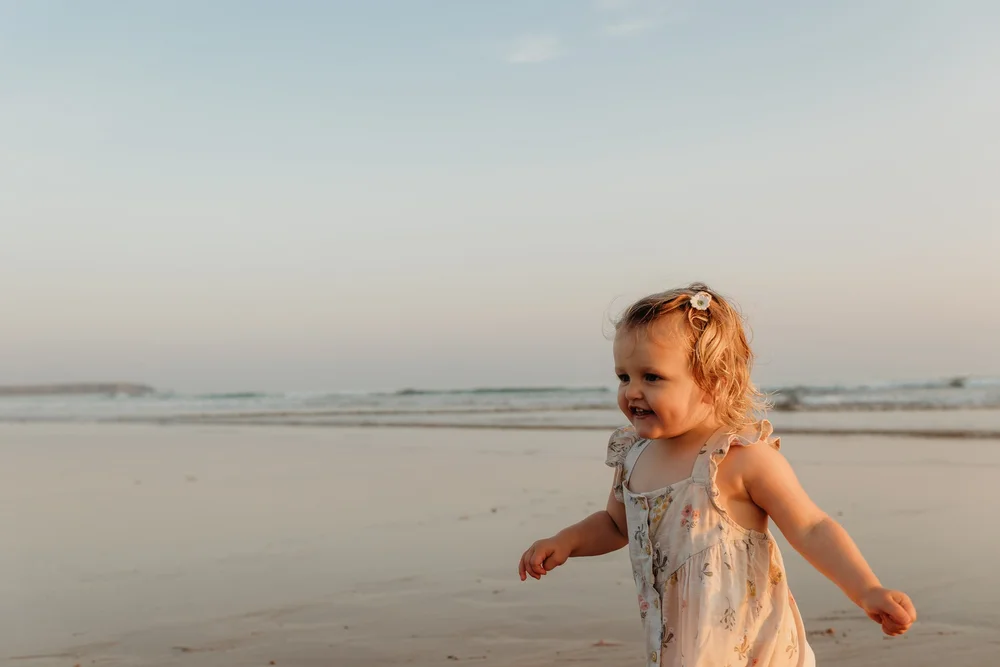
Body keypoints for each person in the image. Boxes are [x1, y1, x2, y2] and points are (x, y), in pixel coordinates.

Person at [517, 283, 916, 666]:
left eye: (651, 377)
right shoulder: (633, 455)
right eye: (624, 377)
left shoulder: (740, 458)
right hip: (678, 645)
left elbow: (811, 527)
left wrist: (866, 589)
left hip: (754, 647)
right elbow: (615, 525)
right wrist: (566, 540)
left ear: (714, 381)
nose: (632, 391)